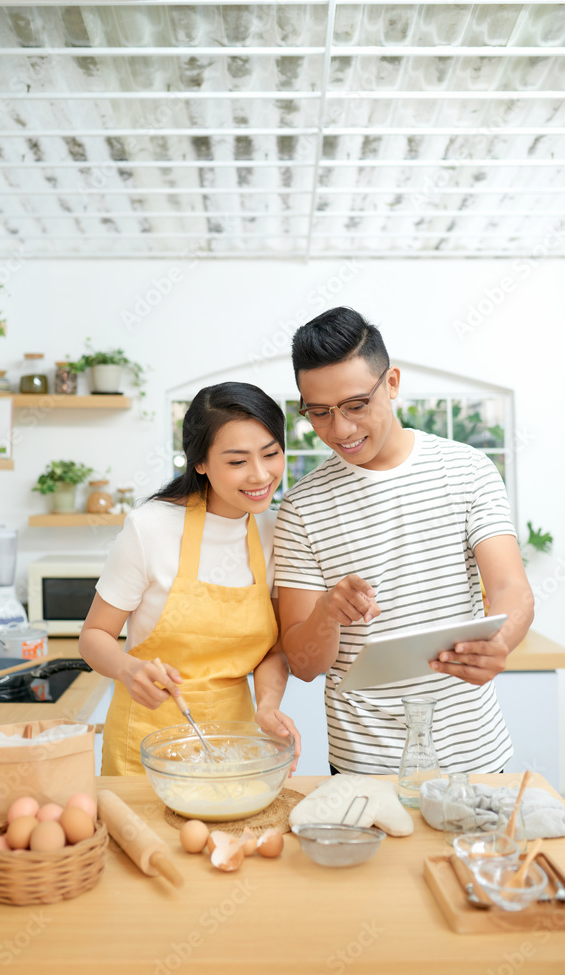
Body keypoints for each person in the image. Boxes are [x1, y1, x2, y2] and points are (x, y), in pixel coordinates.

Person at [274, 306, 534, 775]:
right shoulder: (300, 508)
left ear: (391, 383)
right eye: (319, 412)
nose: (341, 430)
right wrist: (327, 613)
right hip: (361, 767)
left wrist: (502, 643)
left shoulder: (467, 469)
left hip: (473, 757)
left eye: (356, 405)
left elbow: (511, 589)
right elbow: (305, 663)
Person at [79, 381, 300, 775]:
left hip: (237, 741)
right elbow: (94, 636)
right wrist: (126, 669)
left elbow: (275, 649)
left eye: (271, 454)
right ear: (200, 462)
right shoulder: (149, 528)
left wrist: (268, 705)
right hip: (145, 746)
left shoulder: (276, 531)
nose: (261, 474)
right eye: (237, 462)